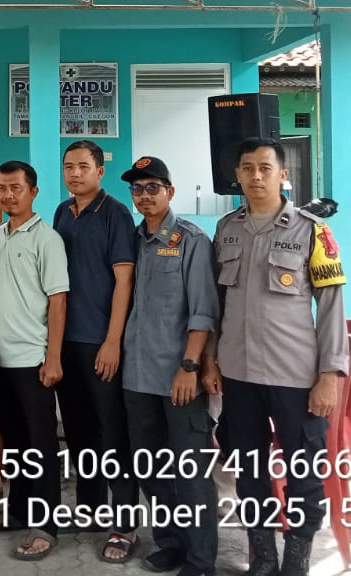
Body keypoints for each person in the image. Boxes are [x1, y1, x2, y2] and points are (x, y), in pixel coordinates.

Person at [203, 138, 347, 576]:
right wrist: (210, 358)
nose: (256, 176)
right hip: (239, 374)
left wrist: (329, 373)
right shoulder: (226, 229)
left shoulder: (311, 230)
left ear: (283, 175)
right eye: (247, 168)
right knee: (249, 471)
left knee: (304, 472)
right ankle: (263, 557)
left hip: (295, 375)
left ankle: (296, 560)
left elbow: (331, 305)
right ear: (238, 176)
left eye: (265, 168)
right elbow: (216, 304)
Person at [119, 156, 219, 576]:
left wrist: (190, 366)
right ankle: (171, 543)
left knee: (191, 472)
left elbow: (204, 310)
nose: (144, 196)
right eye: (137, 189)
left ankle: (200, 559)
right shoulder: (130, 240)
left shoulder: (191, 240)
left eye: (152, 188)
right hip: (137, 375)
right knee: (151, 468)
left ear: (170, 192)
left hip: (179, 376)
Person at [52, 139, 140, 563]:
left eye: (83, 166)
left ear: (100, 171)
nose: (75, 173)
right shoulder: (61, 212)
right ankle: (89, 508)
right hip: (66, 341)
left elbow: (124, 281)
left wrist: (112, 341)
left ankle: (124, 523)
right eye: (68, 166)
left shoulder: (116, 214)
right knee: (79, 431)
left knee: (111, 434)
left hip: (100, 343)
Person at [0, 160, 68, 562]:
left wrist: (53, 358)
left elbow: (58, 300)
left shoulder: (47, 239)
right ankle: (19, 510)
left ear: (33, 192)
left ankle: (46, 525)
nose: (8, 195)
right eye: (2, 188)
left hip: (33, 359)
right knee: (15, 443)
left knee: (41, 445)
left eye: (16, 188)